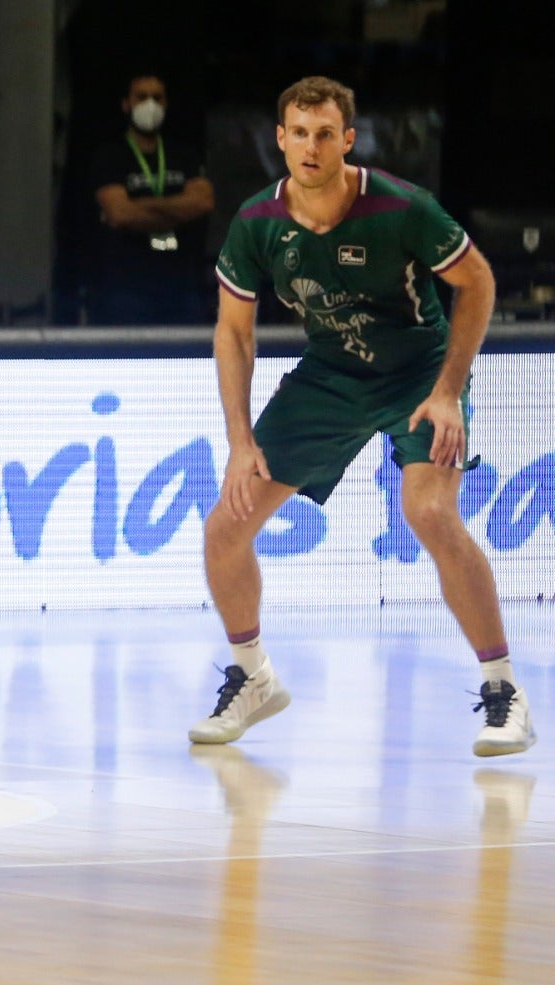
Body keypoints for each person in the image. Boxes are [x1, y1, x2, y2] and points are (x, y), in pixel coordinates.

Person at [189, 75, 534, 757]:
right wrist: (239, 437)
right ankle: (254, 678)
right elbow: (233, 332)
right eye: (298, 133)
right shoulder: (258, 222)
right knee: (226, 525)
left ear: (347, 140)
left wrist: (448, 389)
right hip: (331, 376)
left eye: (325, 134)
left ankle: (504, 691)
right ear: (280, 139)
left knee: (430, 513)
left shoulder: (403, 208)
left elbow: (479, 281)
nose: (311, 147)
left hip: (418, 375)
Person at [86, 72, 215, 325]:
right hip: (125, 289)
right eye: (142, 97)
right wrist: (176, 208)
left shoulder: (183, 155)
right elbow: (119, 214)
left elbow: (203, 202)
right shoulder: (110, 156)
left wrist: (141, 207)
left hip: (180, 287)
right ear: (126, 104)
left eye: (157, 98)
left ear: (166, 104)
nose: (150, 105)